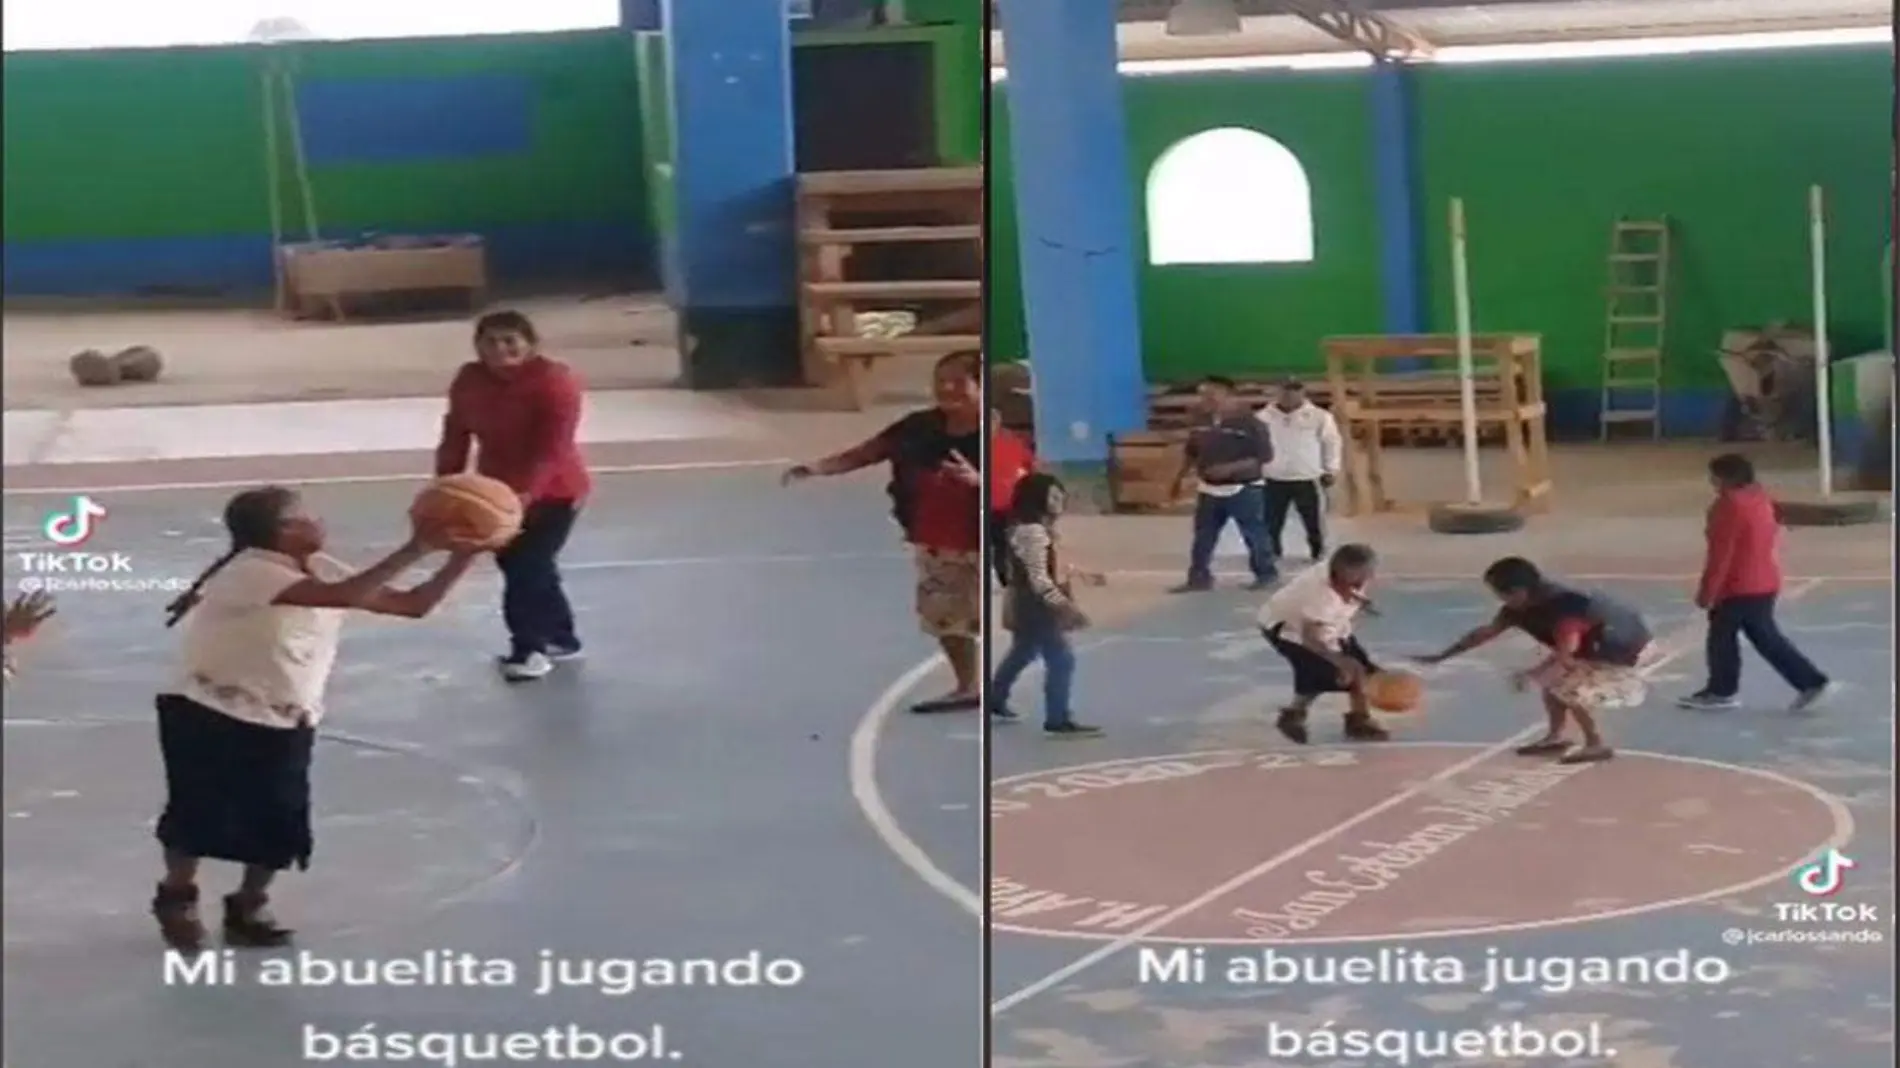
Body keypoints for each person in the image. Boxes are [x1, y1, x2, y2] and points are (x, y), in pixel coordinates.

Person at [151, 487, 481, 951]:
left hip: (285, 715)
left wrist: (464, 556)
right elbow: (341, 596)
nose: (320, 522)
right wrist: (417, 547)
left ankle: (248, 903)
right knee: (197, 812)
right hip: (207, 709)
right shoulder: (249, 572)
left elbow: (412, 605)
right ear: (283, 531)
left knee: (281, 820)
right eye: (307, 516)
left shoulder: (320, 568)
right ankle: (176, 896)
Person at [784, 352, 984, 713]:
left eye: (958, 381)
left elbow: (1017, 487)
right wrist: (818, 467)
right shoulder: (917, 427)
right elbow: (869, 452)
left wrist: (978, 482)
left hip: (990, 539)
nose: (946, 388)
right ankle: (968, 686)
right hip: (938, 541)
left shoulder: (998, 437)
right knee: (945, 617)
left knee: (1010, 614)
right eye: (940, 379)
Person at [435, 310, 591, 682]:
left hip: (556, 491)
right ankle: (561, 636)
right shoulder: (469, 380)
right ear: (478, 347)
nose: (500, 348)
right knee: (525, 566)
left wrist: (526, 494)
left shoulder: (556, 381)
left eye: (510, 340)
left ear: (530, 345)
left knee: (527, 566)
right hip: (496, 490)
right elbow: (455, 433)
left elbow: (553, 448)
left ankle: (529, 649)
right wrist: (447, 485)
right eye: (489, 341)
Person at [1417, 557, 1651, 764]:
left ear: (1518, 591)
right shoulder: (1517, 608)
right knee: (1553, 682)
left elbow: (1567, 651)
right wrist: (1443, 655)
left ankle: (1595, 743)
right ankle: (1556, 737)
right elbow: (1485, 633)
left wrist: (1532, 674)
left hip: (1621, 644)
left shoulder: (1563, 606)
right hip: (1589, 644)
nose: (1499, 599)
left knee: (1567, 684)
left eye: (1500, 593)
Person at [1679, 453, 1835, 712]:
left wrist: (1708, 592)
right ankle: (1809, 681)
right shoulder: (1758, 498)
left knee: (1722, 638)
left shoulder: (1729, 508)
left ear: (1724, 479)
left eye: (1714, 476)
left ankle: (1722, 690)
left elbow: (1722, 554)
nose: (1711, 481)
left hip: (1739, 586)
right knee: (1763, 636)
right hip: (1764, 581)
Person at [990, 472, 1102, 736]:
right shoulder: (1033, 532)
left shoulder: (1032, 528)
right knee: (1061, 659)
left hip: (1027, 600)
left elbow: (1047, 567)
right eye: (1053, 495)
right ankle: (1057, 717)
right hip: (1036, 604)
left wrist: (1081, 573)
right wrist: (1065, 606)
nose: (1060, 500)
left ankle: (995, 698)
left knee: (1024, 651)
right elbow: (1039, 578)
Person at [1258, 545, 1390, 744]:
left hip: (1330, 625)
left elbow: (1345, 593)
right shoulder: (1318, 595)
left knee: (1359, 667)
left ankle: (1359, 720)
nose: (1370, 576)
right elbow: (1311, 639)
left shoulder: (1344, 573)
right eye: (1366, 572)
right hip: (1287, 629)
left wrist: (1358, 601)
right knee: (1332, 672)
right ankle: (1294, 715)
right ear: (1347, 573)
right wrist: (1339, 660)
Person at [1169, 376, 1277, 592]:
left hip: (1244, 489)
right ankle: (1199, 578)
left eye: (1210, 395)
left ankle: (1265, 573)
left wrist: (1230, 469)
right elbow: (1191, 452)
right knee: (1203, 536)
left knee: (1254, 533)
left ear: (1228, 395)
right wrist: (1179, 479)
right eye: (1202, 395)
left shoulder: (1251, 423)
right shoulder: (1200, 420)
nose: (1205, 400)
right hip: (1208, 490)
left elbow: (1264, 456)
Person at [1257, 379, 1342, 561]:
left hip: (1308, 477)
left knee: (1314, 520)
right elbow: (1254, 446)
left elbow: (1331, 443)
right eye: (1285, 390)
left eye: (1295, 390)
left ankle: (1317, 550)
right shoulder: (1262, 418)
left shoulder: (1320, 416)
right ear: (1277, 392)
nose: (1289, 394)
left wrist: (1331, 469)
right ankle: (1273, 552)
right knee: (1271, 520)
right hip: (1273, 477)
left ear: (1303, 392)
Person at [988, 407, 1036, 588]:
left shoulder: (1012, 445)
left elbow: (1030, 469)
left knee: (1004, 546)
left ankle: (1005, 580)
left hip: (1007, 506)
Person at [3, 589, 56, 686]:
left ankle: (41, 598)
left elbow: (35, 619)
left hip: (21, 617)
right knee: (31, 608)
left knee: (31, 608)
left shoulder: (22, 630)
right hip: (21, 617)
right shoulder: (22, 631)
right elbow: (35, 620)